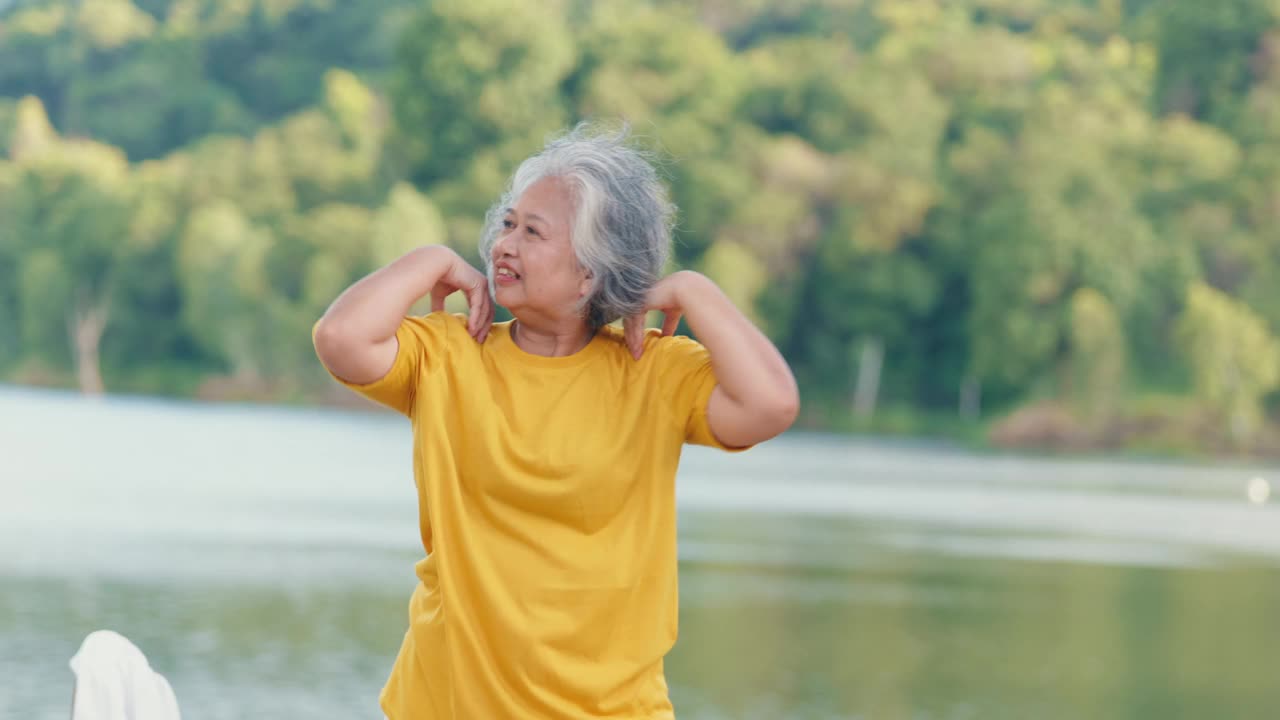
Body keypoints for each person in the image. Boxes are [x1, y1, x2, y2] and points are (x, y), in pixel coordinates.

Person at [312, 124, 799, 719]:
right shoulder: (447, 351)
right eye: (507, 224)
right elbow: (340, 339)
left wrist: (696, 292)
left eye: (533, 232)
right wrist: (431, 259)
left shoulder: (653, 371)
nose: (504, 244)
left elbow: (771, 405)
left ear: (591, 271)